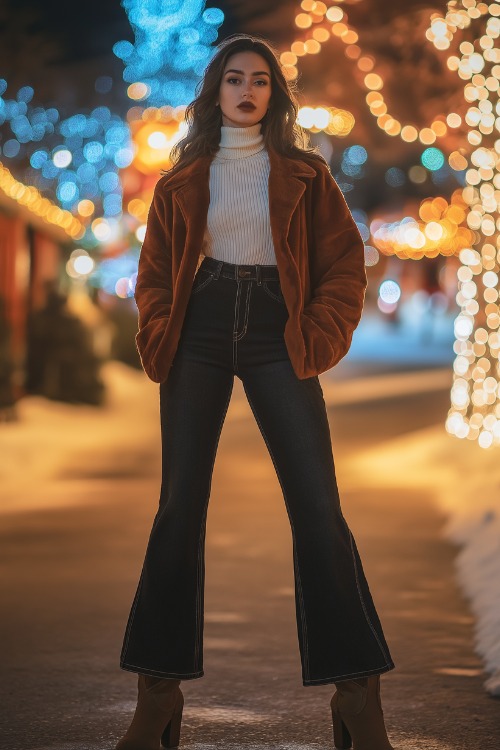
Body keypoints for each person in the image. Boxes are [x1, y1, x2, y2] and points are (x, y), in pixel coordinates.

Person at [115, 33, 395, 750]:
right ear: (215, 93)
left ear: (275, 94)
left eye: (260, 81)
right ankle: (157, 696)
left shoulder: (305, 174)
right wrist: (158, 330)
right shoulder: (180, 181)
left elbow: (343, 263)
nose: (247, 91)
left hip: (280, 331)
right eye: (234, 79)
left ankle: (357, 699)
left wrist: (322, 332)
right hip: (198, 328)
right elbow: (153, 271)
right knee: (179, 507)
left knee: (318, 507)